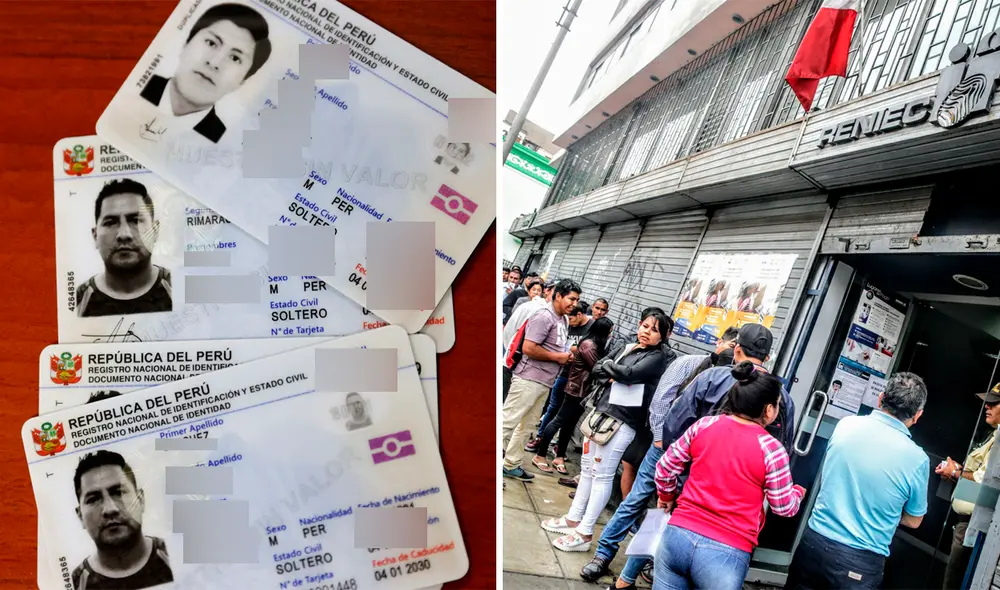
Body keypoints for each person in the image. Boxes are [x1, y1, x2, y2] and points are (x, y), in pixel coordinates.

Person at [581, 326, 740, 585]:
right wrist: (660, 439)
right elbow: (660, 401)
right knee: (636, 500)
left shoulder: (740, 379)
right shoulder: (689, 363)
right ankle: (603, 554)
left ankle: (641, 566)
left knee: (663, 513)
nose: (733, 351)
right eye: (730, 344)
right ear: (720, 342)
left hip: (695, 459)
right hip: (665, 446)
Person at [653, 362, 806, 590]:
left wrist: (666, 496)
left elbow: (665, 468)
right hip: (727, 553)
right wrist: (797, 492)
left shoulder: (704, 425)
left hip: (677, 537)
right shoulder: (772, 450)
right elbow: (784, 507)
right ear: (768, 410)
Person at [785, 372, 930, 590]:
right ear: (918, 415)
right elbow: (913, 520)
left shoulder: (846, 425)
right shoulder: (918, 459)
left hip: (814, 542)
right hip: (861, 561)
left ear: (880, 398)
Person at [541, 310, 671, 552]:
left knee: (602, 475)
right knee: (588, 470)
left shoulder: (657, 357)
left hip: (622, 421)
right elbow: (598, 367)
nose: (646, 331)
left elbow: (628, 373)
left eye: (654, 329)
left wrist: (614, 371)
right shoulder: (629, 347)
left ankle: (585, 532)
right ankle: (574, 518)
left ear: (663, 336)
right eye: (644, 325)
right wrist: (614, 373)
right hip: (602, 413)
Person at [140, 3, 272, 143]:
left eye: (235, 58)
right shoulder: (137, 86)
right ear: (186, 44)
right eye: (211, 43)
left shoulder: (222, 140)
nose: (214, 63)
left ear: (242, 81)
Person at [502, 279, 581, 481]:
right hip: (528, 379)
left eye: (577, 300)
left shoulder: (562, 320)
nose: (575, 304)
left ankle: (511, 464)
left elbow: (556, 346)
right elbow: (529, 348)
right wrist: (557, 357)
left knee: (527, 426)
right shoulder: (543, 317)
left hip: (545, 382)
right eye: (571, 299)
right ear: (558, 296)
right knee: (507, 422)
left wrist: (566, 353)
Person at [72, 450, 173, 589]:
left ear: (140, 500)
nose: (110, 509)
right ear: (80, 516)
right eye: (93, 499)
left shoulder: (173, 554)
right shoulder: (76, 583)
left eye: (119, 493)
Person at [77, 179, 172, 318]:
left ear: (155, 231)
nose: (124, 234)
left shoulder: (179, 289)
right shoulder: (78, 301)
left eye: (135, 220)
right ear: (95, 236)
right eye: (110, 223)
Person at [936, 384, 1000, 589]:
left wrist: (954, 473)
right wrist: (957, 471)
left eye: (993, 403)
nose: (986, 407)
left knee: (955, 583)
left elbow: (984, 481)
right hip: (967, 525)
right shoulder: (993, 436)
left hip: (976, 527)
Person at [531, 317, 614, 474]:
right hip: (575, 390)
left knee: (569, 425)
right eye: (609, 332)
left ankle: (559, 457)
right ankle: (540, 456)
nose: (611, 335)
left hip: (582, 392)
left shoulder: (593, 344)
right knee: (558, 421)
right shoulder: (589, 346)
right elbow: (596, 368)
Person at [527, 304, 597, 453]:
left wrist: (575, 350)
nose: (569, 322)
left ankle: (559, 446)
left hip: (578, 380)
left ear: (579, 315)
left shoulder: (591, 328)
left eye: (571, 319)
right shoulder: (564, 322)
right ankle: (540, 438)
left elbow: (590, 351)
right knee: (553, 408)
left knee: (568, 416)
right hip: (563, 372)